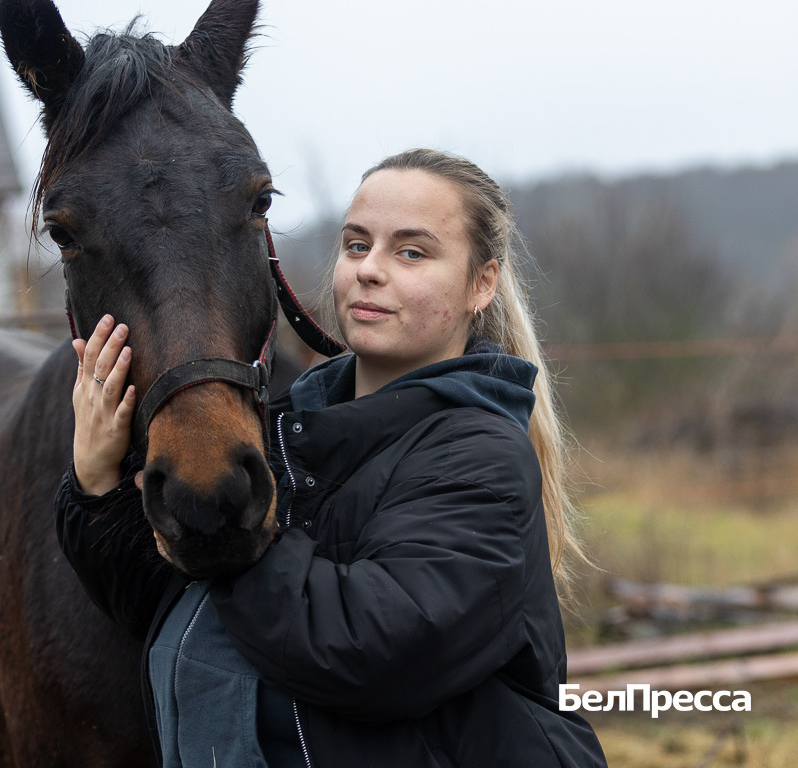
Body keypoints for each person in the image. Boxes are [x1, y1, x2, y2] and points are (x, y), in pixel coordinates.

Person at [56, 148, 608, 767]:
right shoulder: (288, 428)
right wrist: (97, 483)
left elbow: (371, 649)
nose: (370, 270)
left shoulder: (481, 457)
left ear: (482, 283)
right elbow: (168, 605)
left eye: (411, 252)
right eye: (355, 245)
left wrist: (226, 523)